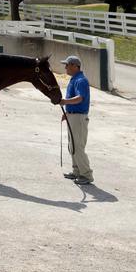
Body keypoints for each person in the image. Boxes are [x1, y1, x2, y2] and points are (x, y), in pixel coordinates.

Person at [59, 55, 93, 185]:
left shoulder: (81, 80)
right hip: (73, 116)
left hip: (78, 118)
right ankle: (77, 171)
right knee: (72, 145)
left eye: (67, 65)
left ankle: (86, 175)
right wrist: (67, 113)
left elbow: (80, 98)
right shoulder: (75, 79)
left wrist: (65, 101)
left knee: (78, 147)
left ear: (75, 66)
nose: (66, 67)